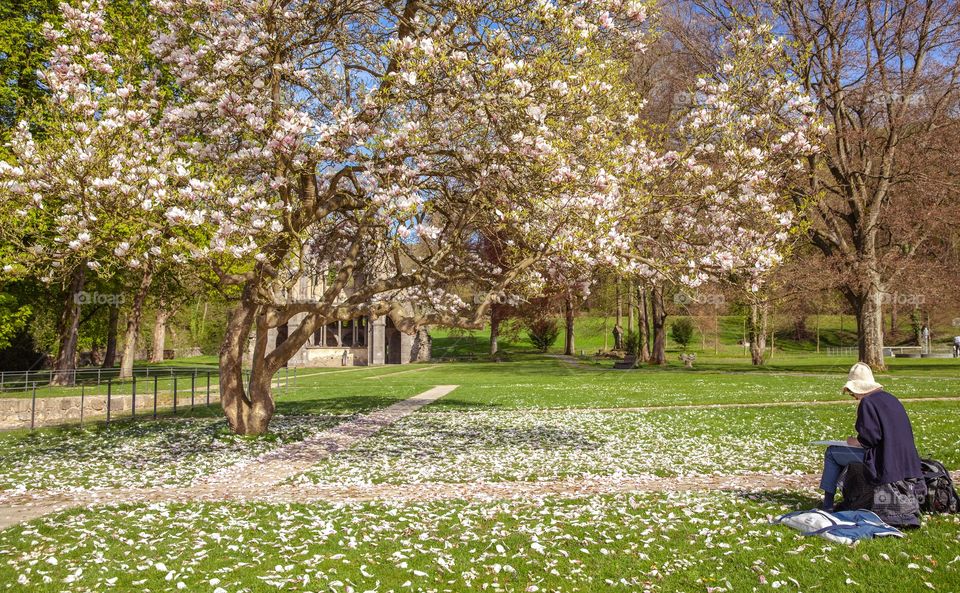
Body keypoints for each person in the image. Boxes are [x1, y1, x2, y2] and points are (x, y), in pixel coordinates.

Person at [818, 362, 924, 511]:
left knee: (831, 453)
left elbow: (869, 439)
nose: (853, 396)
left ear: (858, 388)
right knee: (840, 454)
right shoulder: (891, 398)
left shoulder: (867, 402)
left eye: (851, 392)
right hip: (906, 459)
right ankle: (851, 494)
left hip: (884, 460)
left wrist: (853, 441)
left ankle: (827, 504)